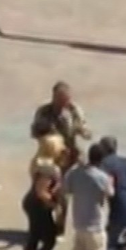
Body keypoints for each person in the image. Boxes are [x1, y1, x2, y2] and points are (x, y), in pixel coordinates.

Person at [32, 82, 90, 236]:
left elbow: (83, 128)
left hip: (69, 155)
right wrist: (48, 136)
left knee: (63, 194)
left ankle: (60, 227)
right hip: (49, 156)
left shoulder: (74, 111)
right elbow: (35, 132)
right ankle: (42, 223)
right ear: (54, 97)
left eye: (66, 100)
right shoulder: (44, 112)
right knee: (41, 191)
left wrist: (83, 132)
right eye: (61, 100)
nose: (64, 103)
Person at [61, 143, 114, 250]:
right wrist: (111, 181)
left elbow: (66, 189)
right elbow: (110, 193)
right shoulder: (101, 177)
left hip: (79, 222)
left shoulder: (76, 172)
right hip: (95, 224)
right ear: (102, 159)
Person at [21, 136, 67, 250]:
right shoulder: (48, 169)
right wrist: (54, 206)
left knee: (37, 238)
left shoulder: (42, 163)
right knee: (48, 238)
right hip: (38, 206)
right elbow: (42, 192)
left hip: (34, 204)